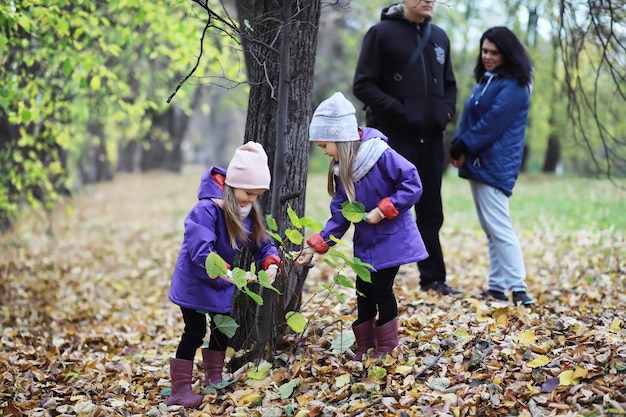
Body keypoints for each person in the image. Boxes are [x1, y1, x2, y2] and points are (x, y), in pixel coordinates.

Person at [296, 92, 428, 360]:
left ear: (341, 138)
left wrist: (384, 209)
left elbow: (412, 183)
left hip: (391, 237)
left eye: (324, 145)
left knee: (381, 288)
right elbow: (341, 216)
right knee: (363, 290)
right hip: (367, 243)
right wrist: (315, 245)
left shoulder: (381, 155)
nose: (323, 152)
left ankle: (388, 347)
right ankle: (364, 345)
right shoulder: (342, 171)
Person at [353, 0, 459, 295]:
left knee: (431, 211)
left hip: (432, 139)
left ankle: (434, 279)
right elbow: (362, 84)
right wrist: (399, 111)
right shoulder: (381, 33)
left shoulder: (439, 36)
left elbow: (450, 84)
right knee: (387, 209)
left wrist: (446, 112)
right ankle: (377, 282)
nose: (428, 1)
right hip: (395, 141)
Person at [167, 142, 282, 408]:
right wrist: (224, 271)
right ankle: (180, 389)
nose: (250, 200)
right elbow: (199, 250)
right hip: (195, 281)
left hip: (223, 282)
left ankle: (214, 378)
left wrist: (270, 263)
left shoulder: (248, 212)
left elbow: (262, 245)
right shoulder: (206, 209)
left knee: (223, 328)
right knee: (194, 331)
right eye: (247, 192)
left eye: (256, 195)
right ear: (232, 185)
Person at [449, 26, 534, 306]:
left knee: (499, 227)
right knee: (491, 228)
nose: (487, 56)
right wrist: (457, 144)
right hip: (478, 160)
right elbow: (470, 118)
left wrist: (464, 145)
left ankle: (519, 288)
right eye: (484, 50)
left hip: (495, 163)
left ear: (507, 54)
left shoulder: (515, 86)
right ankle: (497, 287)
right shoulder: (488, 79)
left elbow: (491, 123)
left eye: (494, 52)